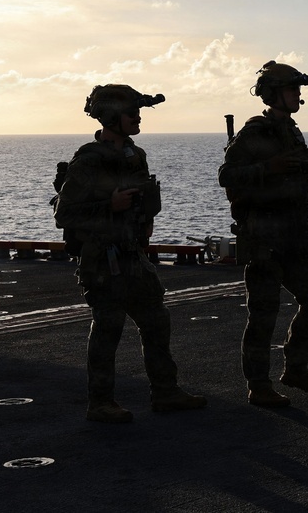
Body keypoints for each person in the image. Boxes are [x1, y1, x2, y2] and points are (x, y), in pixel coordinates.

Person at [54, 85, 206, 422]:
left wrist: (143, 218)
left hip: (133, 256)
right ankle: (100, 403)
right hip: (103, 261)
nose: (138, 118)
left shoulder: (135, 155)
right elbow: (64, 214)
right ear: (111, 117)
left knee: (157, 322)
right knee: (108, 330)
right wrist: (109, 206)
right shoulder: (88, 160)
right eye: (131, 113)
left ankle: (165, 391)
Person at [218, 61, 308, 407]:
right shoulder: (255, 132)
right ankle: (258, 385)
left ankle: (295, 368)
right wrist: (270, 167)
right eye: (292, 89)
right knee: (263, 314)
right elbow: (227, 175)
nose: (298, 95)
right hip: (264, 239)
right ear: (274, 94)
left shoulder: (291, 130)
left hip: (295, 234)